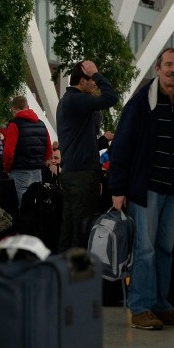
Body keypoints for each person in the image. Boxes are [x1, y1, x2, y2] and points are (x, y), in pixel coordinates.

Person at [109, 47, 174, 331]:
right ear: (158, 69)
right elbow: (121, 147)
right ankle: (141, 307)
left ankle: (161, 304)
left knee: (164, 247)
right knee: (145, 248)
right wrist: (118, 189)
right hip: (146, 188)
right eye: (169, 65)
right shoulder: (139, 105)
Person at [56, 60, 119, 250]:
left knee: (69, 227)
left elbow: (79, 140)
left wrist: (100, 141)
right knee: (82, 229)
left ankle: (64, 272)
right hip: (82, 176)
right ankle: (77, 273)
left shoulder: (68, 101)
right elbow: (111, 98)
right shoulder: (76, 99)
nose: (94, 85)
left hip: (73, 173)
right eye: (91, 80)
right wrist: (97, 73)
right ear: (82, 80)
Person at [2, 95, 53, 206]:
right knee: (36, 206)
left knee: (22, 206)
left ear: (13, 109)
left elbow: (8, 152)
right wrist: (39, 162)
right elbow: (49, 150)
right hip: (37, 173)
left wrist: (7, 168)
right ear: (28, 106)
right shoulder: (41, 124)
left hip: (20, 172)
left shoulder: (14, 124)